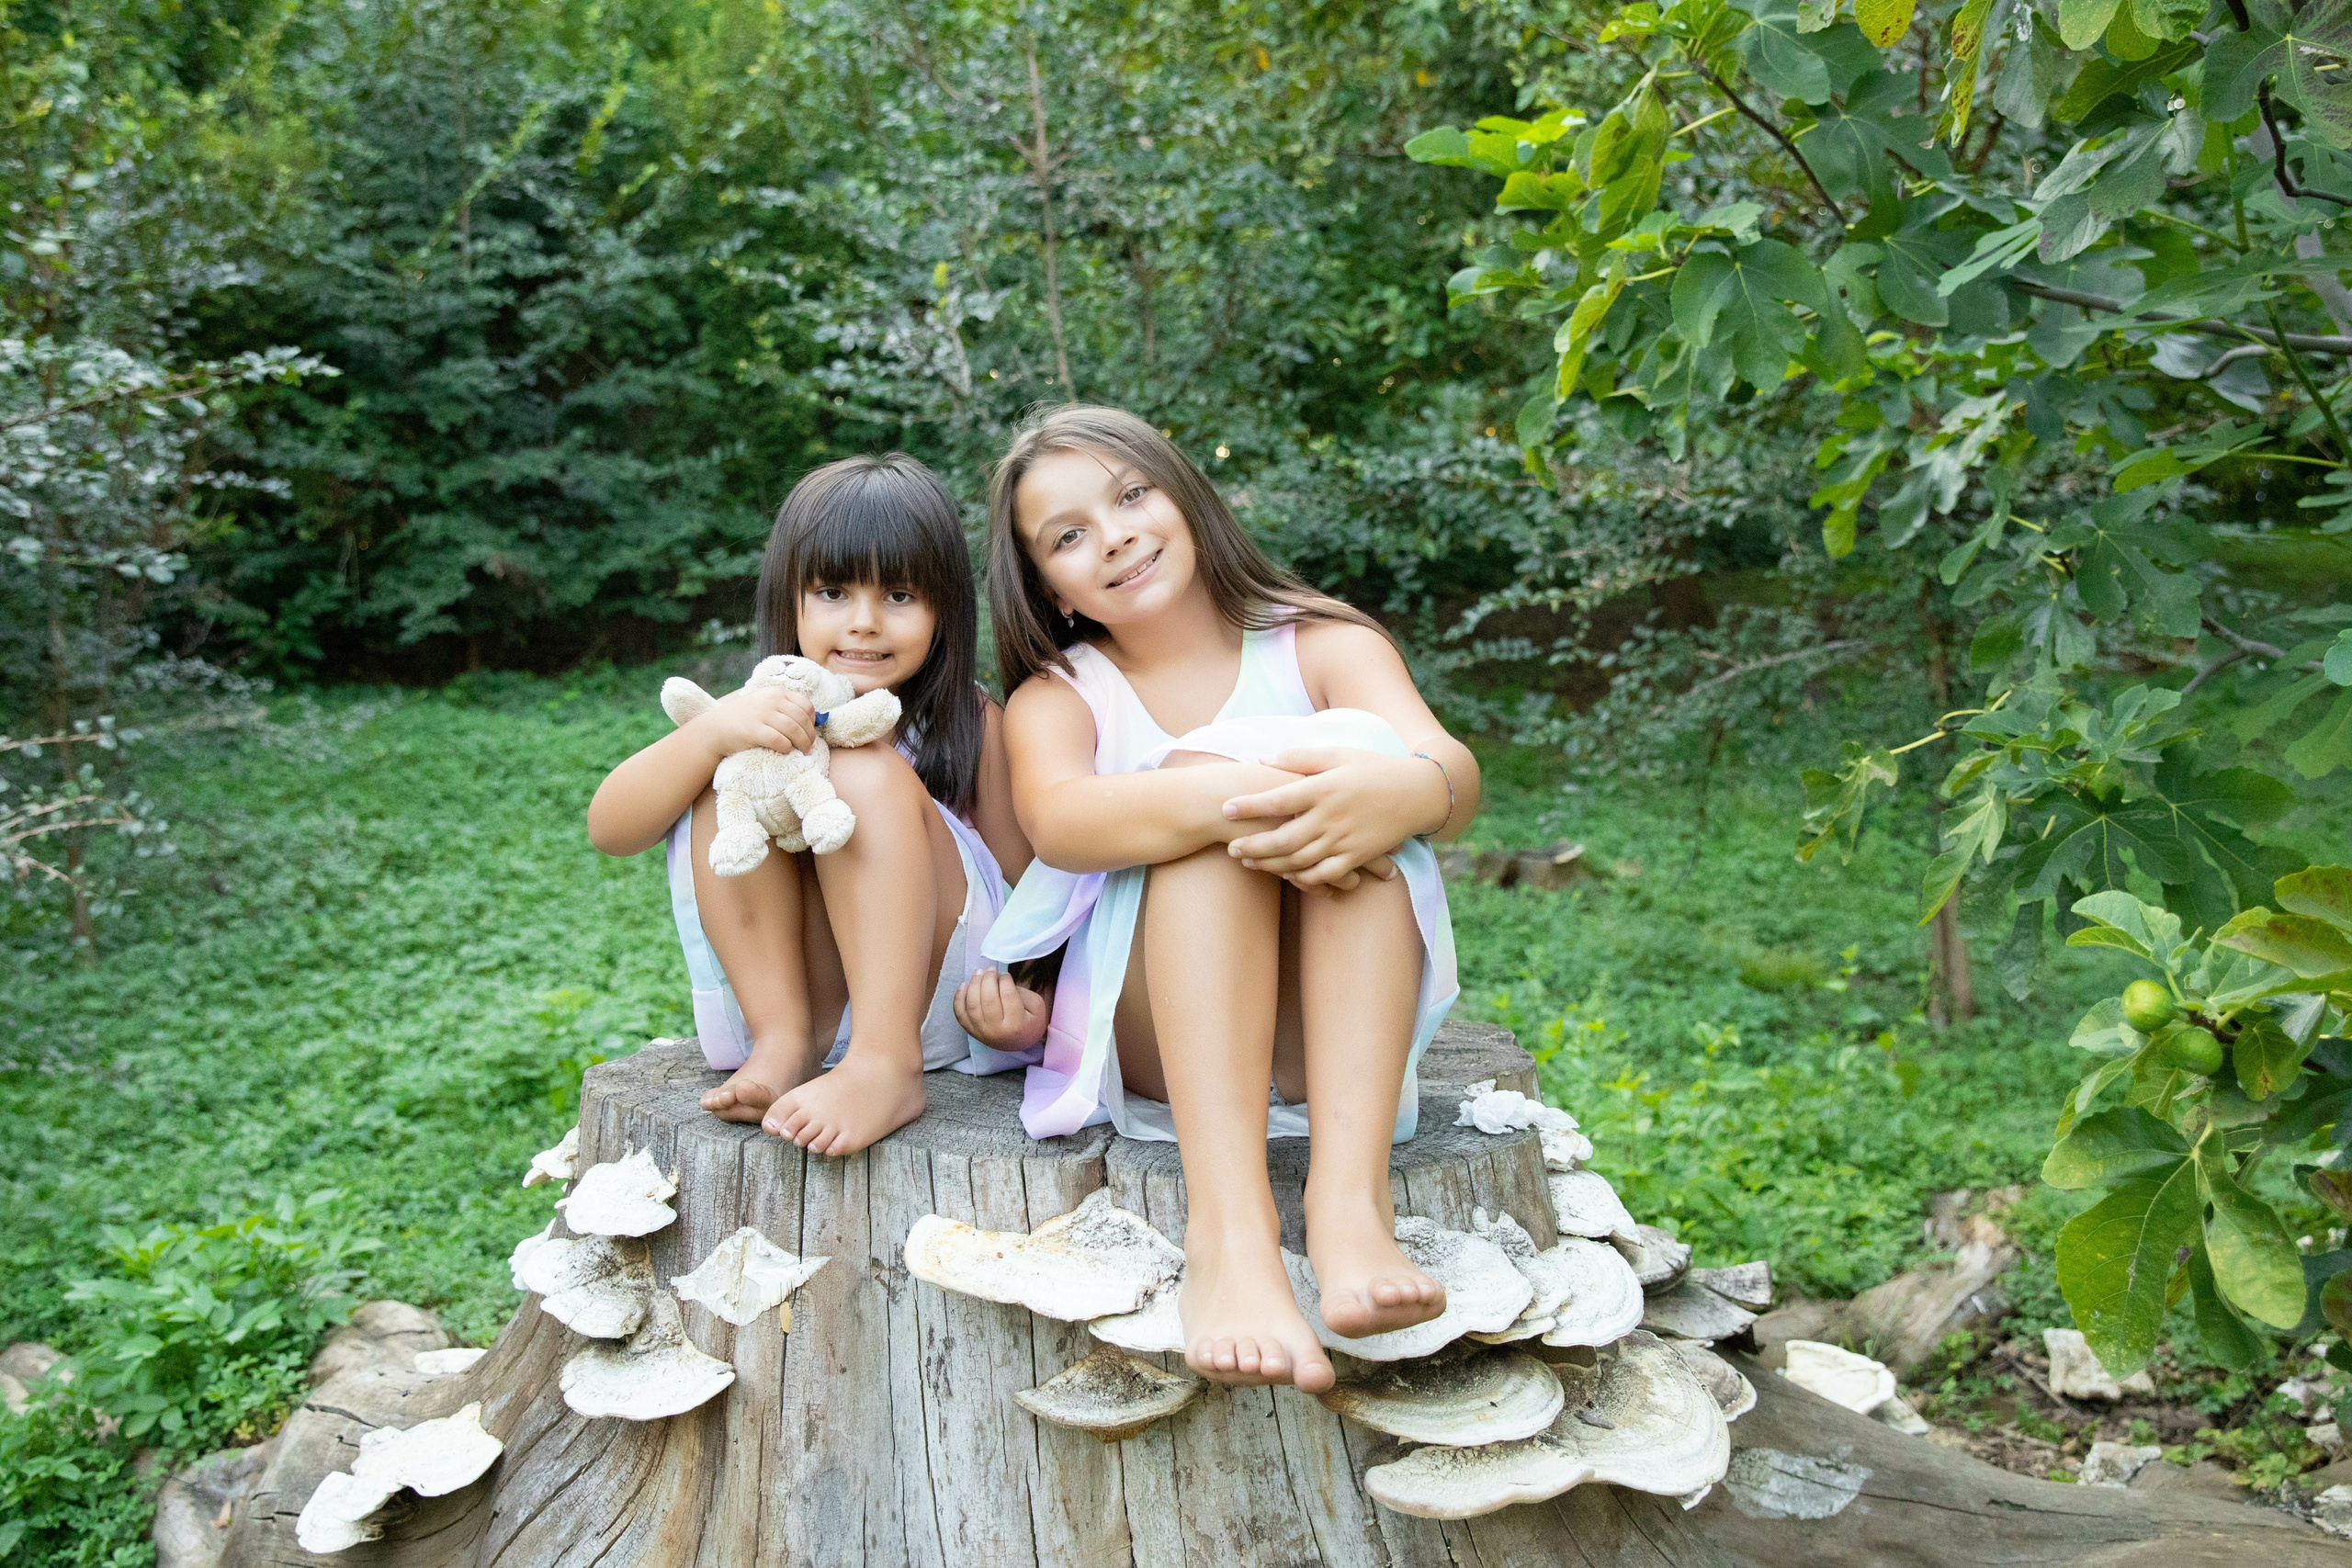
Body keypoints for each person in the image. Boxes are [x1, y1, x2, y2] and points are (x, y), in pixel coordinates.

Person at [979, 405, 1475, 1393]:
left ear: (1187, 495)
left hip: (1329, 1028)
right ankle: (1231, 1236)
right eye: (1068, 536)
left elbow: (1446, 767)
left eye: (1131, 496)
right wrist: (1242, 790)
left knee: (1362, 821)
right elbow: (1064, 822)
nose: (1113, 535)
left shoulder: (1321, 640)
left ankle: (1348, 1209)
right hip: (1163, 1035)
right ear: (1047, 588)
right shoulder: (1059, 696)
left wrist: (1403, 792)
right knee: (1210, 839)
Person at [585, 455, 1040, 1157]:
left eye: (899, 596)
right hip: (797, 996)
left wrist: (1030, 1012)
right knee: (734, 773)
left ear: (945, 608)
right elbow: (610, 829)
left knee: (859, 769)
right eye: (832, 591)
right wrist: (711, 732)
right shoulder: (754, 715)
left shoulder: (969, 720)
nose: (863, 623)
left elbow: (1037, 891)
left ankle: (885, 1064)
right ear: (789, 599)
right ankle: (784, 1042)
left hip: (937, 996)